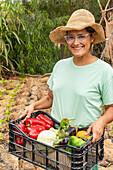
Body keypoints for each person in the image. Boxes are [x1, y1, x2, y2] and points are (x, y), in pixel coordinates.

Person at [22, 9, 113, 149]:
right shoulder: (60, 66)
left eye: (81, 36)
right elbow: (51, 98)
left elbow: (111, 108)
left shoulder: (104, 71)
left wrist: (102, 121)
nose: (76, 43)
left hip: (84, 139)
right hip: (56, 138)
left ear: (92, 37)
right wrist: (33, 106)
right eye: (71, 37)